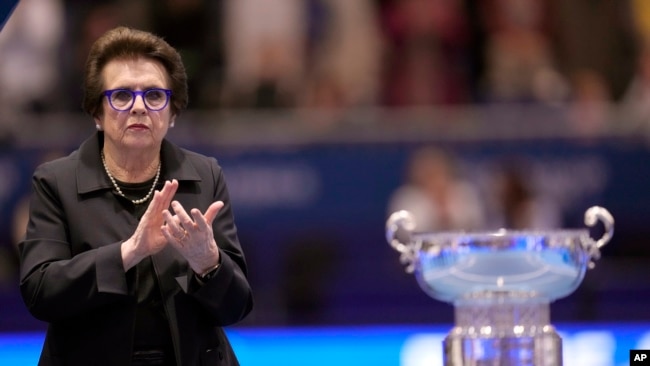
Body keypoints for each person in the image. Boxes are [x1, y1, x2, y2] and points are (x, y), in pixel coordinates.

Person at [18, 26, 253, 366]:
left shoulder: (204, 175)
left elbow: (236, 308)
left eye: (155, 96)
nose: (140, 107)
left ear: (172, 114)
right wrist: (129, 253)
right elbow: (40, 293)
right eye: (123, 96)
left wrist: (209, 264)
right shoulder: (57, 181)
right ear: (97, 113)